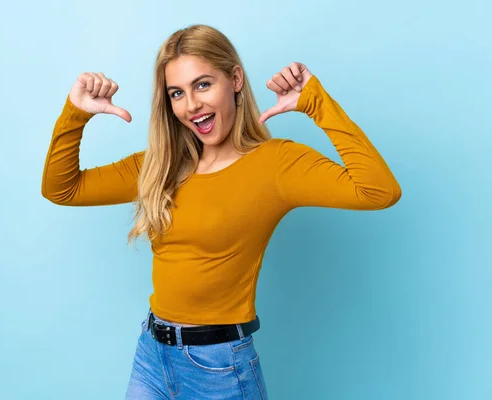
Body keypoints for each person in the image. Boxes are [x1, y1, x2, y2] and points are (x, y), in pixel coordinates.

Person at [41, 23, 401, 400]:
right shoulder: (159, 166)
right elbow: (62, 188)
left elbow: (379, 191)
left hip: (218, 368)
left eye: (202, 85)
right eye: (177, 93)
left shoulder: (276, 165)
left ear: (235, 79)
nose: (191, 105)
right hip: (152, 354)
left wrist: (316, 103)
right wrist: (76, 114)